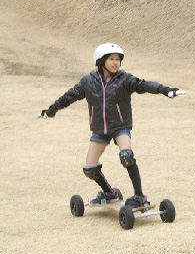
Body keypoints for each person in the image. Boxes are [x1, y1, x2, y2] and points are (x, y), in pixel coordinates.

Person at [38, 43, 185, 207]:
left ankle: (139, 196)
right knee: (90, 168)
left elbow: (143, 85)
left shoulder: (124, 79)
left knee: (126, 156)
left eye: (118, 60)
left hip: (120, 125)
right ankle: (109, 193)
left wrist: (166, 90)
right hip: (100, 129)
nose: (116, 63)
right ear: (101, 61)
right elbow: (68, 96)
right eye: (111, 59)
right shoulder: (88, 81)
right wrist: (51, 110)